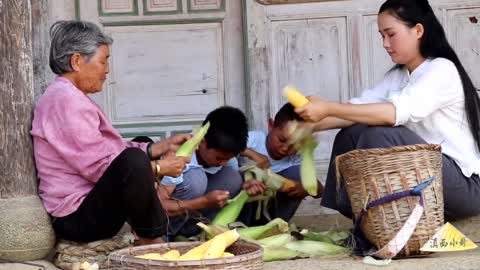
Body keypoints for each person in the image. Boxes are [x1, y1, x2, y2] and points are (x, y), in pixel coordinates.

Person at [295, 0, 480, 220]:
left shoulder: (441, 69)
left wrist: (327, 107)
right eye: (382, 35)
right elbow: (357, 108)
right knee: (351, 133)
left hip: (464, 187)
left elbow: (394, 113)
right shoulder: (397, 76)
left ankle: (389, 218)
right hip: (427, 174)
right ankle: (360, 214)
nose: (385, 43)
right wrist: (309, 126)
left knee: (379, 133)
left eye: (391, 34)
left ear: (418, 30)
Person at [31, 20, 190, 245]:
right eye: (103, 60)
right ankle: (151, 238)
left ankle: (146, 229)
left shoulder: (68, 95)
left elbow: (110, 150)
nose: (106, 70)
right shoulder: (65, 101)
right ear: (77, 61)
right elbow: (100, 167)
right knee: (135, 161)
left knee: (141, 149)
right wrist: (157, 167)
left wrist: (156, 148)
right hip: (76, 217)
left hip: (90, 202)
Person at [157, 106, 250, 239]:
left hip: (191, 219)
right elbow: (158, 205)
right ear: (202, 141)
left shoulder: (225, 155)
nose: (223, 162)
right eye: (219, 158)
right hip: (165, 221)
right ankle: (166, 235)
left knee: (233, 178)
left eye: (228, 158)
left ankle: (199, 233)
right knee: (197, 180)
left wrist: (249, 185)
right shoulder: (178, 156)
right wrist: (204, 202)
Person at [238, 103, 323, 224]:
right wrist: (250, 153)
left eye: (294, 145)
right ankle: (237, 227)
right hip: (243, 204)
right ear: (271, 126)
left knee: (298, 175)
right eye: (282, 140)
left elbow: (320, 191)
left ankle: (275, 226)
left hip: (271, 212)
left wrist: (305, 189)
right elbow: (224, 146)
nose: (285, 148)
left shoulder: (297, 156)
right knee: (238, 177)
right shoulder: (253, 140)